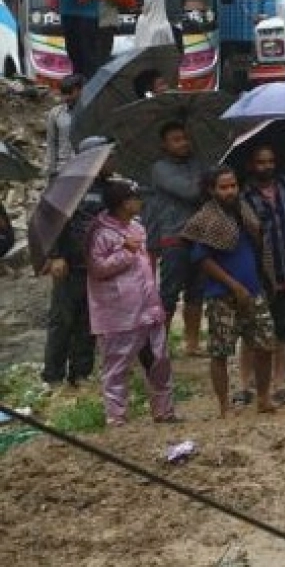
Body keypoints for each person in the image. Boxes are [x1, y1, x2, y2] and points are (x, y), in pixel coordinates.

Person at [182, 165, 277, 416]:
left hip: (254, 289)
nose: (230, 191)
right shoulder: (206, 219)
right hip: (221, 295)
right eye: (223, 187)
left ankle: (264, 398)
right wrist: (233, 286)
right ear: (212, 190)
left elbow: (259, 244)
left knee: (265, 344)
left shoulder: (245, 211)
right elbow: (202, 260)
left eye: (233, 185)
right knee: (220, 350)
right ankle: (224, 405)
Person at [86, 179, 177, 426]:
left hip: (147, 305)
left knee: (159, 359)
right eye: (135, 198)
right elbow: (97, 268)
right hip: (118, 313)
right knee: (117, 366)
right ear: (124, 203)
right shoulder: (100, 233)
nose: (140, 203)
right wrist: (125, 252)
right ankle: (117, 418)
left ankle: (164, 411)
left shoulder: (137, 226)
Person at [239, 145, 285, 405]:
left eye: (270, 161)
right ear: (251, 165)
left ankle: (279, 382)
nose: (267, 166)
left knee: (284, 329)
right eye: (261, 162)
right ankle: (245, 384)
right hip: (258, 273)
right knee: (252, 330)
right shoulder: (242, 194)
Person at [40, 135, 115, 390]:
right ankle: (53, 376)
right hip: (69, 264)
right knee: (62, 320)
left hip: (95, 266)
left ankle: (81, 373)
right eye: (108, 156)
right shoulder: (67, 185)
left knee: (89, 321)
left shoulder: (109, 189)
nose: (112, 161)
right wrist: (55, 256)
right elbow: (51, 221)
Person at [144, 120, 208, 357]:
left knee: (197, 292)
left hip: (200, 236)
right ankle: (159, 345)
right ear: (164, 144)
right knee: (169, 293)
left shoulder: (196, 163)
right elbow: (191, 192)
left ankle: (192, 343)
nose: (183, 143)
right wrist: (203, 182)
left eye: (185, 138)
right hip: (174, 237)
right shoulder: (160, 168)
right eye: (176, 140)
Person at [44, 73, 85, 177]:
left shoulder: (90, 111)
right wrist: (51, 170)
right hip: (64, 169)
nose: (66, 97)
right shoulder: (55, 113)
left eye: (70, 93)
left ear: (80, 90)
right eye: (64, 93)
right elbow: (52, 143)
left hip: (86, 167)